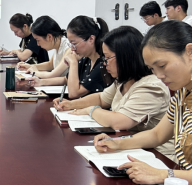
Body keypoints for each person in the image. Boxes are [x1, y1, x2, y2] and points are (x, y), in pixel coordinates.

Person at [95, 21, 192, 185]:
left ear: (190, 52)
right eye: (152, 69)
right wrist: (118, 143)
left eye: (162, 65)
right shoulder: (182, 94)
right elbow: (157, 134)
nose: (159, 75)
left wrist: (162, 174)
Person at [54, 26, 173, 158]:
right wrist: (72, 104)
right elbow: (101, 98)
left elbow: (120, 121)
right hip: (131, 144)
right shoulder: (124, 80)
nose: (105, 63)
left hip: (157, 154)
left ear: (125, 57)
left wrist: (90, 110)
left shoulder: (151, 86)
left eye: (107, 58)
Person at [28, 16, 110, 98]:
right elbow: (66, 79)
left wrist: (73, 63)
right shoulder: (86, 59)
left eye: (74, 44)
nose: (72, 49)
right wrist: (41, 82)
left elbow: (74, 94)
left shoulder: (103, 64)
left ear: (91, 39)